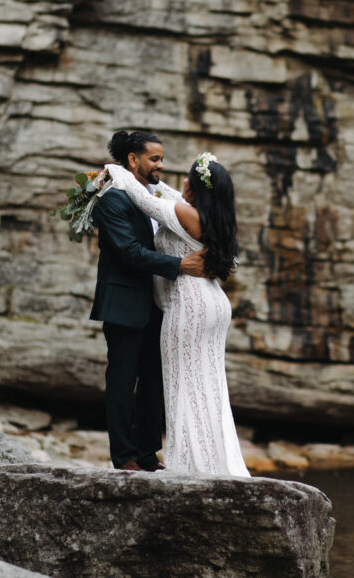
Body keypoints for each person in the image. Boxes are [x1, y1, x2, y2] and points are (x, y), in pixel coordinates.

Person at [105, 147, 251, 477]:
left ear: (198, 189)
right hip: (213, 305)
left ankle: (190, 462)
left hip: (188, 306)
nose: (180, 179)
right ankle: (217, 458)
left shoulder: (185, 214)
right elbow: (165, 193)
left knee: (181, 384)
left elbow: (145, 200)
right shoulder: (214, 218)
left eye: (189, 177)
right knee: (208, 384)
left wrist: (115, 172)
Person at [90, 130, 206, 472]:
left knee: (155, 379)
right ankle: (123, 456)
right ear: (132, 160)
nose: (161, 165)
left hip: (159, 302)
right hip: (124, 304)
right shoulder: (113, 199)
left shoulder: (152, 196)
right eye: (155, 158)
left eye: (162, 158)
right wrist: (180, 265)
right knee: (123, 382)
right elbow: (128, 251)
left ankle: (146, 452)